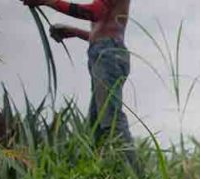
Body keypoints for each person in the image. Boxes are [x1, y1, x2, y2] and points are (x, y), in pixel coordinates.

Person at [21, 0, 136, 162]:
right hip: (105, 52)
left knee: (111, 120)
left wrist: (48, 1)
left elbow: (95, 12)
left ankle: (133, 177)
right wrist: (74, 32)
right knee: (98, 124)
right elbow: (105, 29)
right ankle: (108, 175)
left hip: (108, 54)